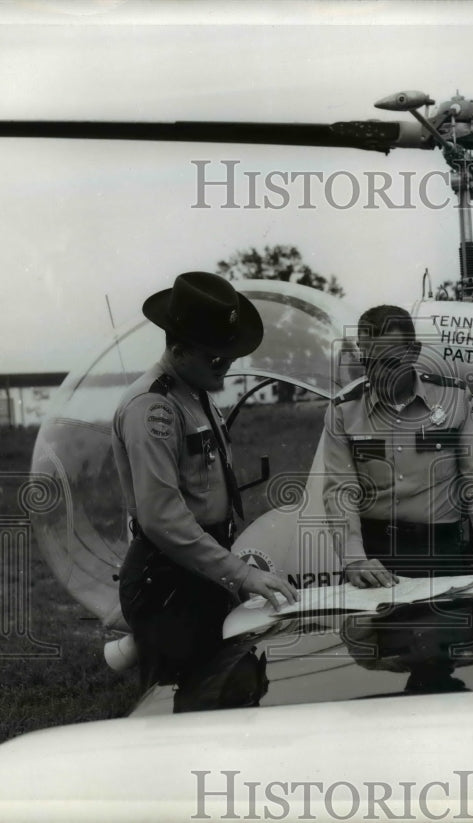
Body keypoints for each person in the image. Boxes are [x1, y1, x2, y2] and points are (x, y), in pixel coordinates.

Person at [112, 271, 298, 704]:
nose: (227, 366)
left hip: (199, 568)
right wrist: (241, 573)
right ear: (178, 350)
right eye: (217, 359)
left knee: (224, 691)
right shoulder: (153, 407)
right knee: (184, 706)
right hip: (169, 578)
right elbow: (162, 517)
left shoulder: (194, 390)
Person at [321, 304, 473, 587]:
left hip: (440, 554)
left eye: (389, 363)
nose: (377, 375)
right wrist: (354, 560)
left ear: (413, 352)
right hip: (372, 556)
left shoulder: (455, 399)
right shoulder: (344, 410)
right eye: (369, 363)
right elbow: (340, 490)